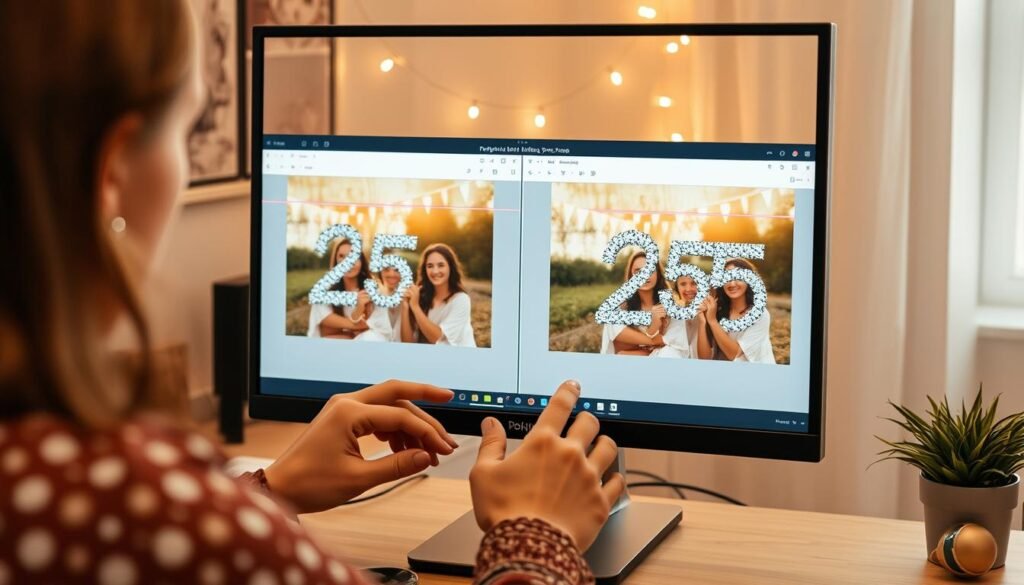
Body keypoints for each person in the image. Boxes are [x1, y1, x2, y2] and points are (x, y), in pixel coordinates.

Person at [0, 2, 623, 583]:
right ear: (112, 173)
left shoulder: (56, 484)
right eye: (187, 134)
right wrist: (536, 537)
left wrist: (267, 492)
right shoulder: (146, 508)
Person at [307, 238, 392, 342]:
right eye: (341, 256)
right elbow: (323, 319)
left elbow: (379, 328)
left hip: (371, 339)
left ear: (361, 260)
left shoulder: (373, 289)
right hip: (345, 338)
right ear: (335, 260)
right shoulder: (327, 287)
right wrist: (353, 330)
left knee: (369, 338)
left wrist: (351, 331)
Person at [599, 251, 675, 356]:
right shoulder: (621, 306)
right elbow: (616, 333)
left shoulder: (669, 304)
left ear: (658, 273)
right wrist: (654, 341)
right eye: (637, 271)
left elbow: (674, 344)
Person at [399, 244, 476, 347]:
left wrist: (415, 307)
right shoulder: (421, 297)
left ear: (450, 267)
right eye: (430, 266)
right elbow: (407, 343)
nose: (435, 271)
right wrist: (405, 305)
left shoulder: (461, 299)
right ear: (425, 270)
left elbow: (438, 339)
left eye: (441, 265)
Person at [703, 258, 777, 363]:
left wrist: (712, 321)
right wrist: (703, 319)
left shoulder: (760, 314)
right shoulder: (717, 310)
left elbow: (734, 355)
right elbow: (706, 357)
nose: (732, 283)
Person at [673, 274, 714, 360]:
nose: (688, 289)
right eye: (683, 284)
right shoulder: (674, 312)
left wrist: (702, 322)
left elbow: (705, 359)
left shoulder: (711, 314)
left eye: (694, 283)